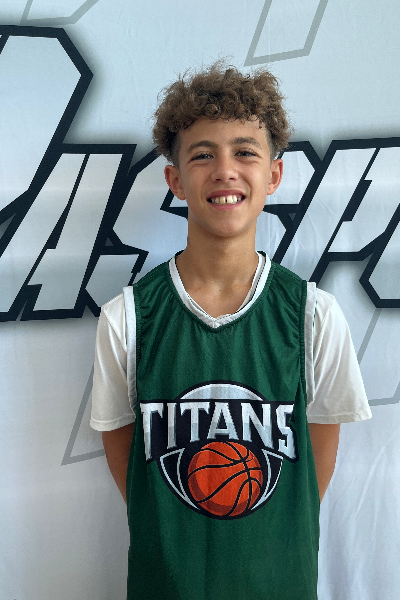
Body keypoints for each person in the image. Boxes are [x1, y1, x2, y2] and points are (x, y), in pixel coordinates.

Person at [90, 63, 372, 600]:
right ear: (175, 180)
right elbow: (129, 462)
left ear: (274, 175)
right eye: (202, 155)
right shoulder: (127, 318)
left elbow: (315, 462)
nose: (225, 171)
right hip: (166, 585)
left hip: (279, 583)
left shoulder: (313, 314)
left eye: (245, 152)